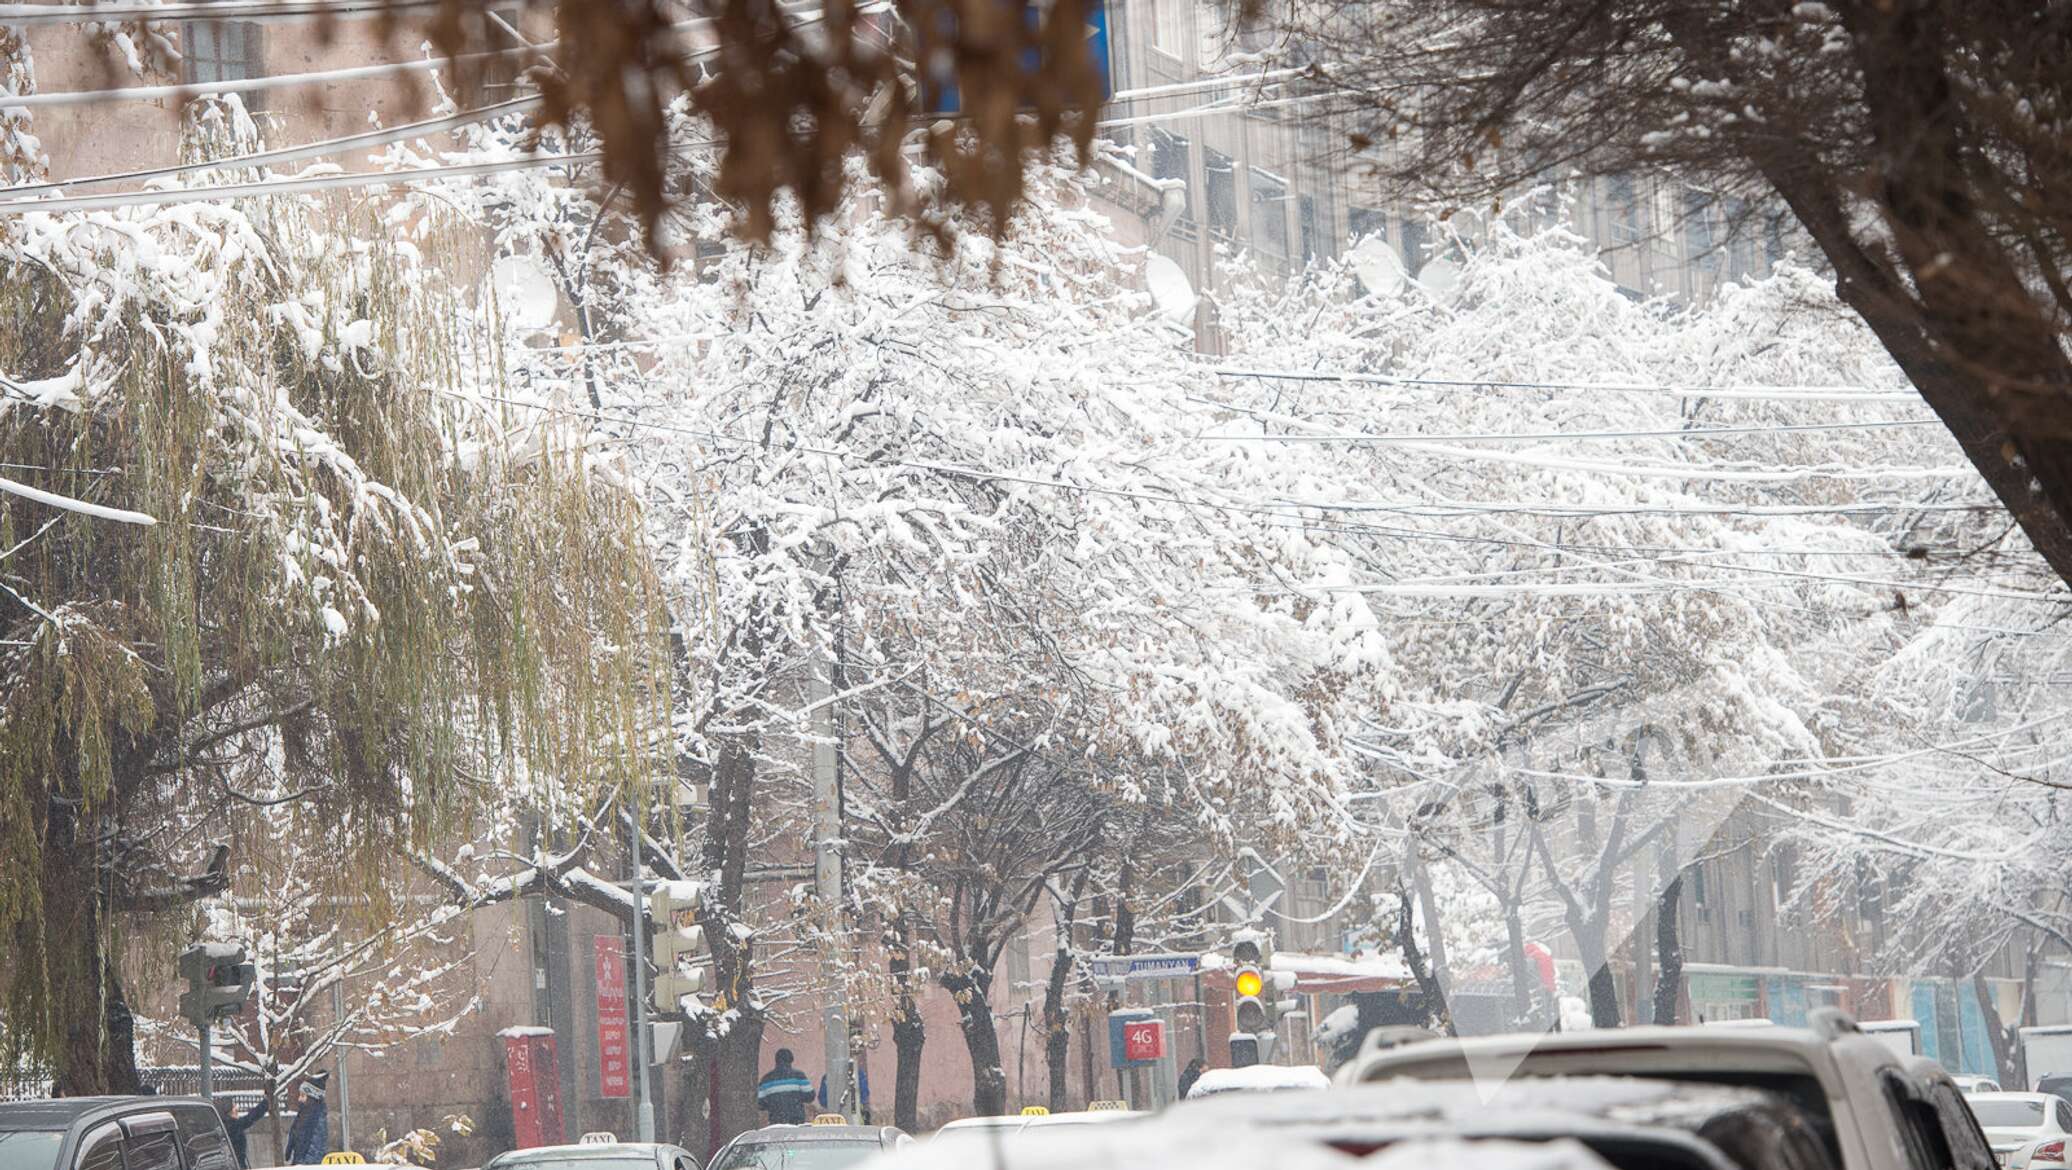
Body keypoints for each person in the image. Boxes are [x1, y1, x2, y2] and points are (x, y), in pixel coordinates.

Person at [281, 1072, 330, 1165]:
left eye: (303, 1095)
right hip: (298, 1161)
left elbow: (317, 1147)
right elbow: (295, 1133)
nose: (299, 1099)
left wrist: (303, 1165)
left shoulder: (317, 1117)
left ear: (313, 1098)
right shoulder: (304, 1113)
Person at [756, 1049, 814, 1125]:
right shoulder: (799, 1076)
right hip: (796, 1120)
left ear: (776, 1060)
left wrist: (774, 1103)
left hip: (776, 1120)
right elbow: (810, 1096)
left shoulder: (766, 1079)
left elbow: (760, 1104)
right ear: (791, 1060)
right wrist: (796, 1098)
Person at [215, 1094, 271, 1169]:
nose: (237, 1109)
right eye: (234, 1107)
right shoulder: (233, 1125)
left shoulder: (224, 1126)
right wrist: (265, 1103)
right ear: (228, 1111)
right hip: (236, 1165)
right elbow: (251, 1117)